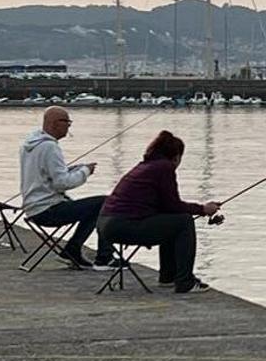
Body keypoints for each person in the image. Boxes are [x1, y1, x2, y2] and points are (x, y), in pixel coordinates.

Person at [98, 130, 220, 293]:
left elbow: (167, 207)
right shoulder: (164, 167)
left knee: (172, 220)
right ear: (176, 156)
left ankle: (168, 276)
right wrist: (203, 209)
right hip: (124, 225)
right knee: (184, 221)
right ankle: (185, 281)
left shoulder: (146, 166)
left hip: (107, 224)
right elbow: (173, 205)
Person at [20, 106, 117, 269]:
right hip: (49, 210)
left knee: (95, 208)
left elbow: (48, 176)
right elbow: (62, 183)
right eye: (67, 122)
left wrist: (73, 170)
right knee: (106, 202)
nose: (69, 126)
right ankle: (105, 256)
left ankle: (73, 249)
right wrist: (86, 171)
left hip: (33, 208)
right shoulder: (50, 147)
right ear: (54, 123)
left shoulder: (30, 145)